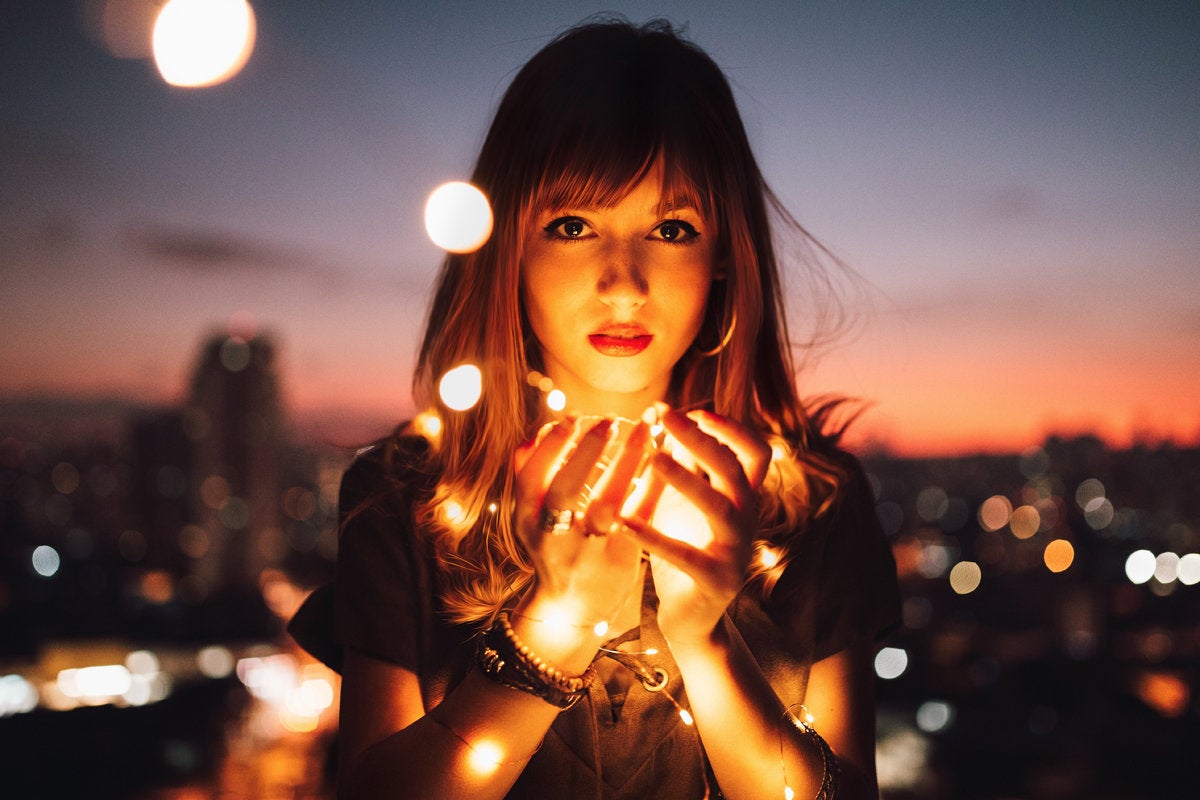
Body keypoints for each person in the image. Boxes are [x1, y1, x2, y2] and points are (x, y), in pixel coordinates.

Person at [289, 18, 899, 800]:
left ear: (723, 256)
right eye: (573, 225)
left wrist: (705, 642)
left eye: (671, 229)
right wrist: (554, 629)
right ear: (510, 245)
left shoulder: (812, 505)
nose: (623, 284)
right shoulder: (407, 501)